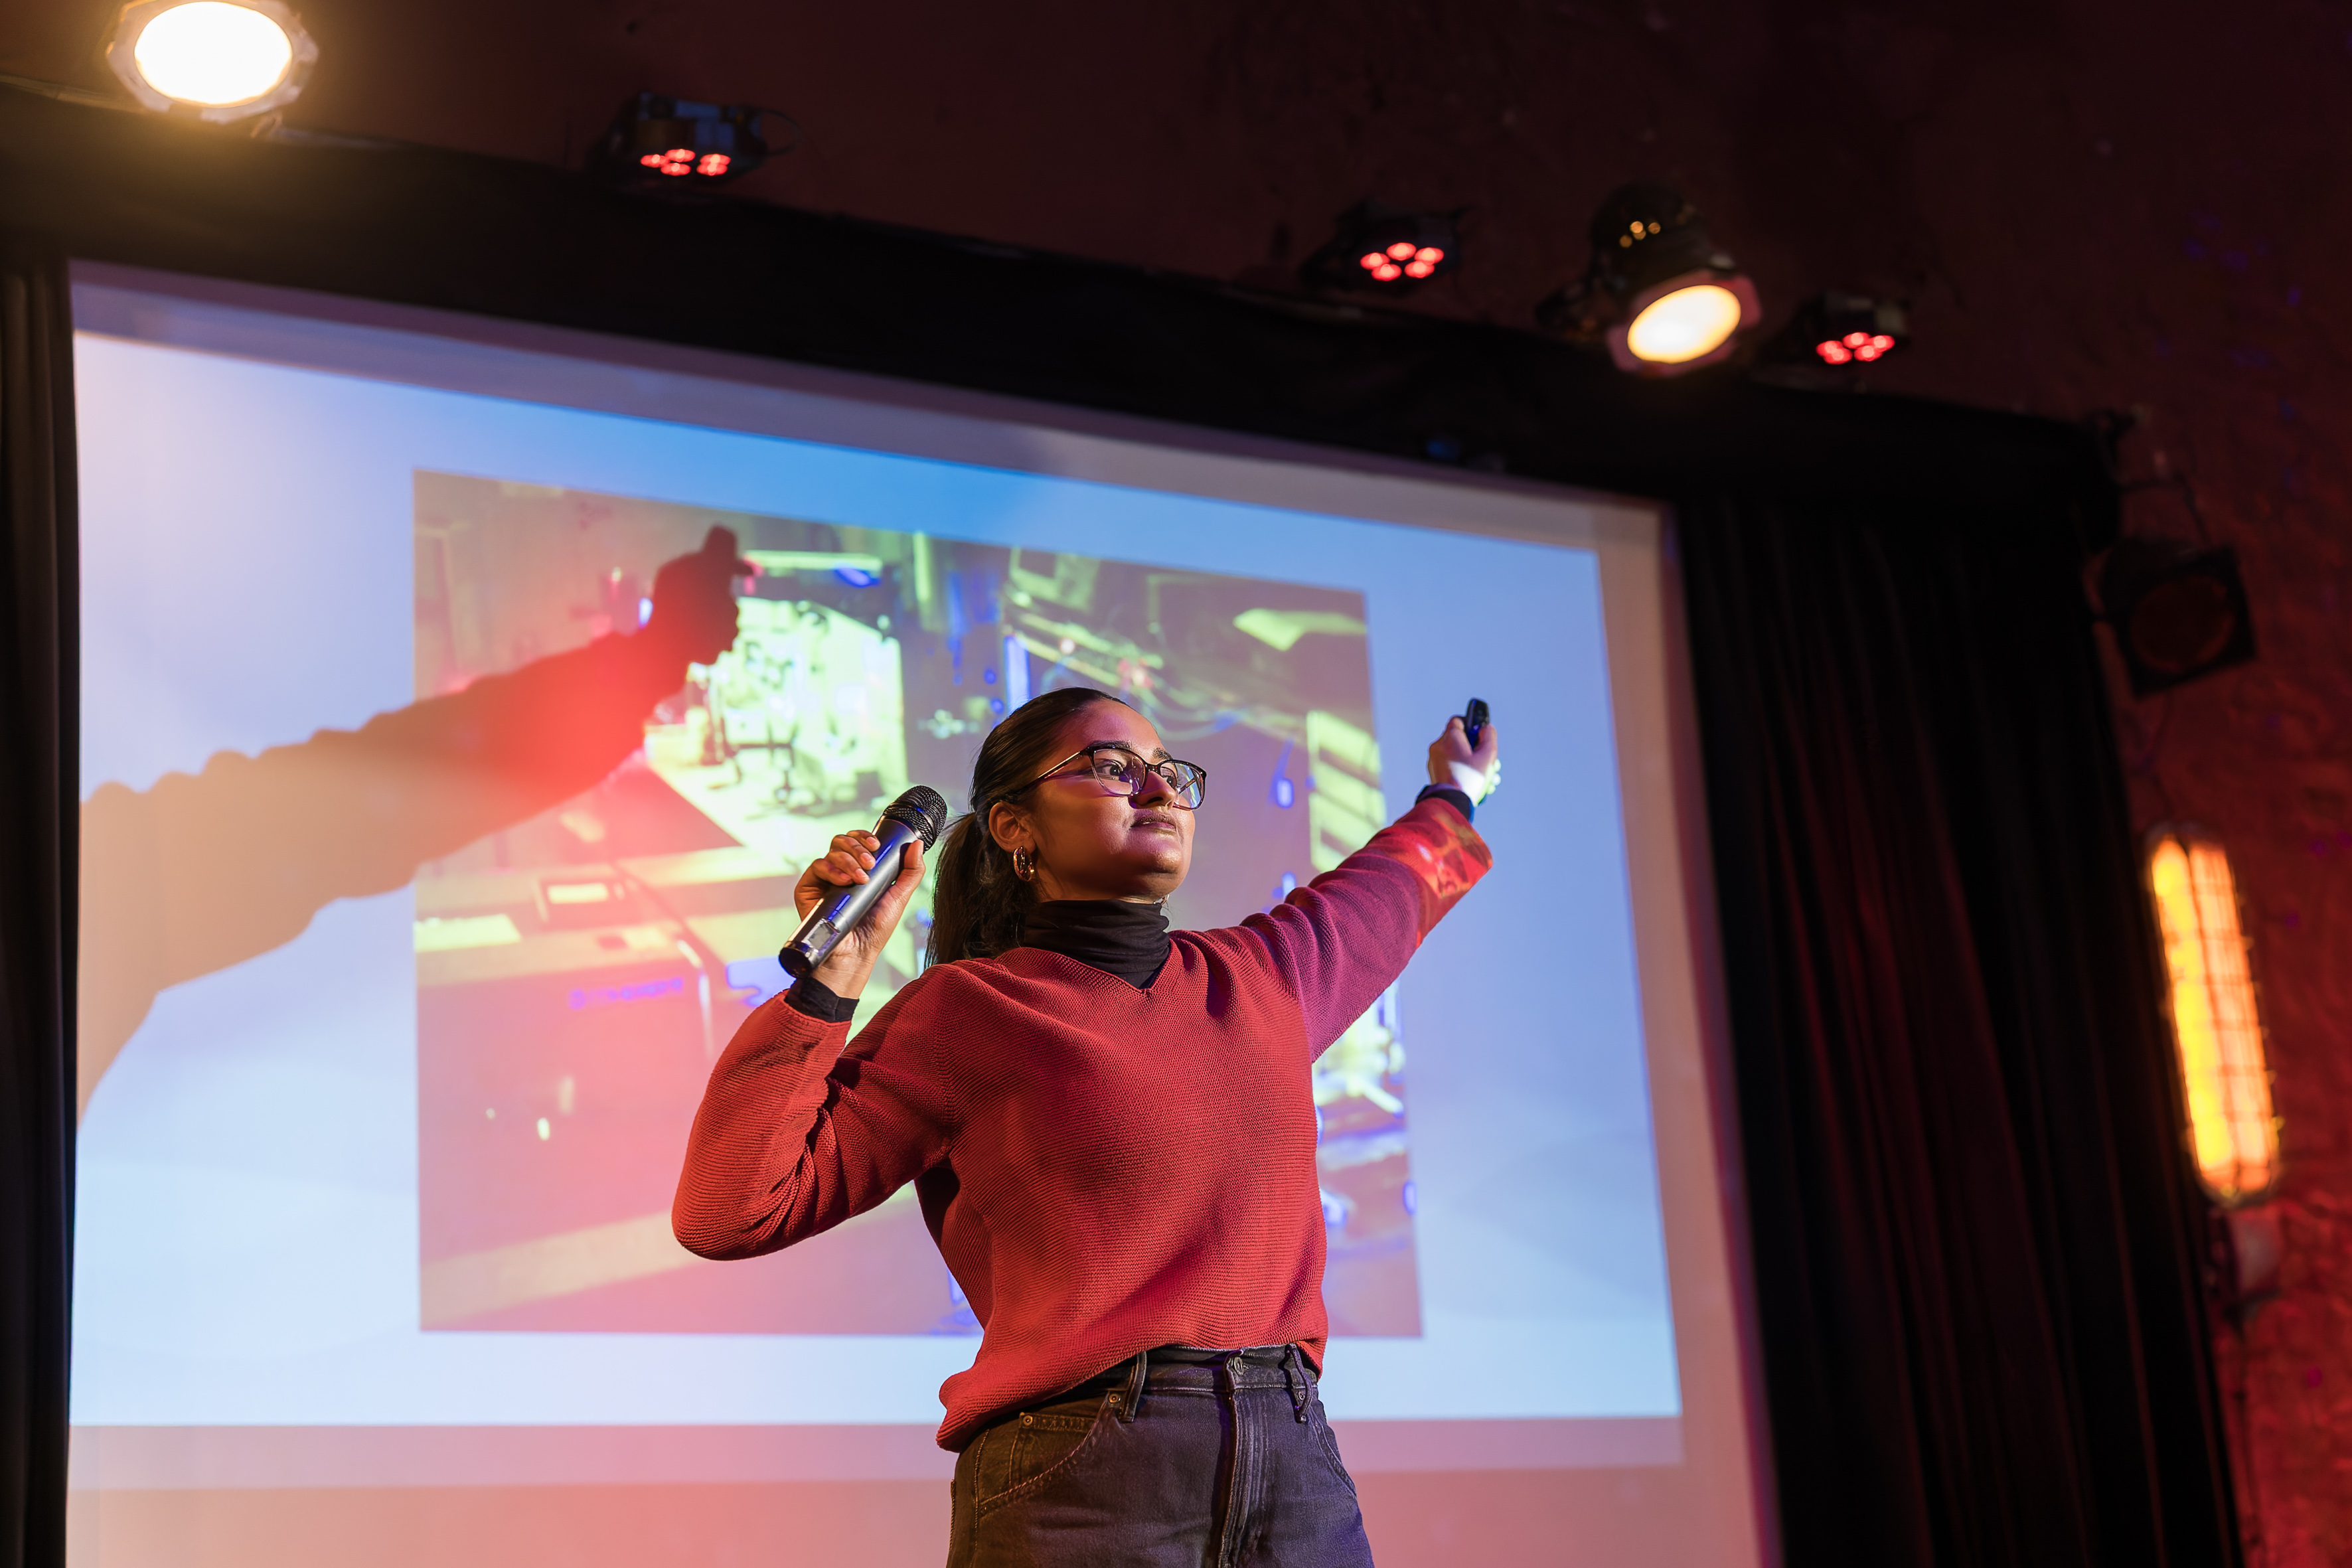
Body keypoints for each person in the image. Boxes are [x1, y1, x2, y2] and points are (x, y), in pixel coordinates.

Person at [672, 684, 1497, 1566]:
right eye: (1112, 767)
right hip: (1082, 1474)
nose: (1159, 787)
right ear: (1014, 827)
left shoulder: (1265, 976)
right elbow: (734, 1209)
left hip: (1294, 1474)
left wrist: (1453, 790)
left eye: (1170, 771)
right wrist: (834, 973)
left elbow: (1394, 886)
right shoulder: (965, 1011)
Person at [77, 526, 751, 1117]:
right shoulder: (113, 897)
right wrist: (649, 658)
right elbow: (345, 805)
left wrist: (648, 660)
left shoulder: (110, 903)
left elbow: (344, 804)